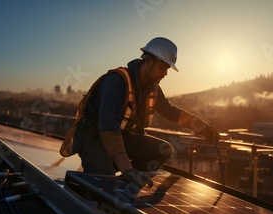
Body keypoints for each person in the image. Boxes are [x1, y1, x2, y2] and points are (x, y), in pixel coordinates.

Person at [75, 37, 219, 187]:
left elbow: (170, 111)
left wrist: (202, 127)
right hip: (94, 137)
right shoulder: (117, 82)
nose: (165, 74)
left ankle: (128, 183)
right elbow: (108, 128)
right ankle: (116, 170)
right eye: (163, 67)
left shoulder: (152, 88)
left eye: (167, 69)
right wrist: (127, 169)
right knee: (104, 181)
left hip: (121, 137)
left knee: (163, 151)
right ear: (149, 60)